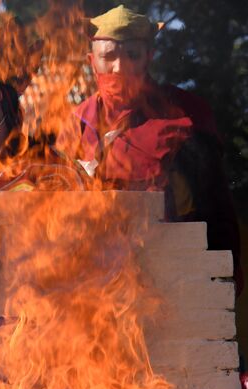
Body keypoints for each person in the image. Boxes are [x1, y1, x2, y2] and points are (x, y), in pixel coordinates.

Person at [57, 4, 243, 294]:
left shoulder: (184, 115)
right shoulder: (75, 124)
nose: (120, 67)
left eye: (132, 55)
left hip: (168, 278)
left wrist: (223, 275)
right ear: (92, 61)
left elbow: (215, 205)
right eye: (109, 57)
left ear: (148, 57)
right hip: (91, 284)